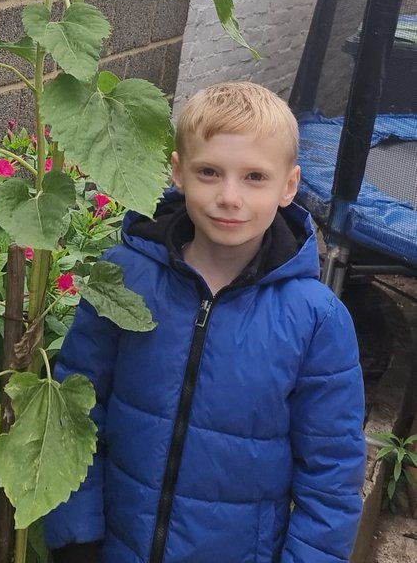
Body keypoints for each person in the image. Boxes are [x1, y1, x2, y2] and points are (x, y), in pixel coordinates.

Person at [44, 81, 366, 563]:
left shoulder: (316, 320)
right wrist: (77, 538)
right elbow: (77, 407)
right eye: (209, 172)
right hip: (117, 548)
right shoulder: (123, 277)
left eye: (255, 177)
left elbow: (332, 477)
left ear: (289, 185)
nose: (229, 197)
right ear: (177, 173)